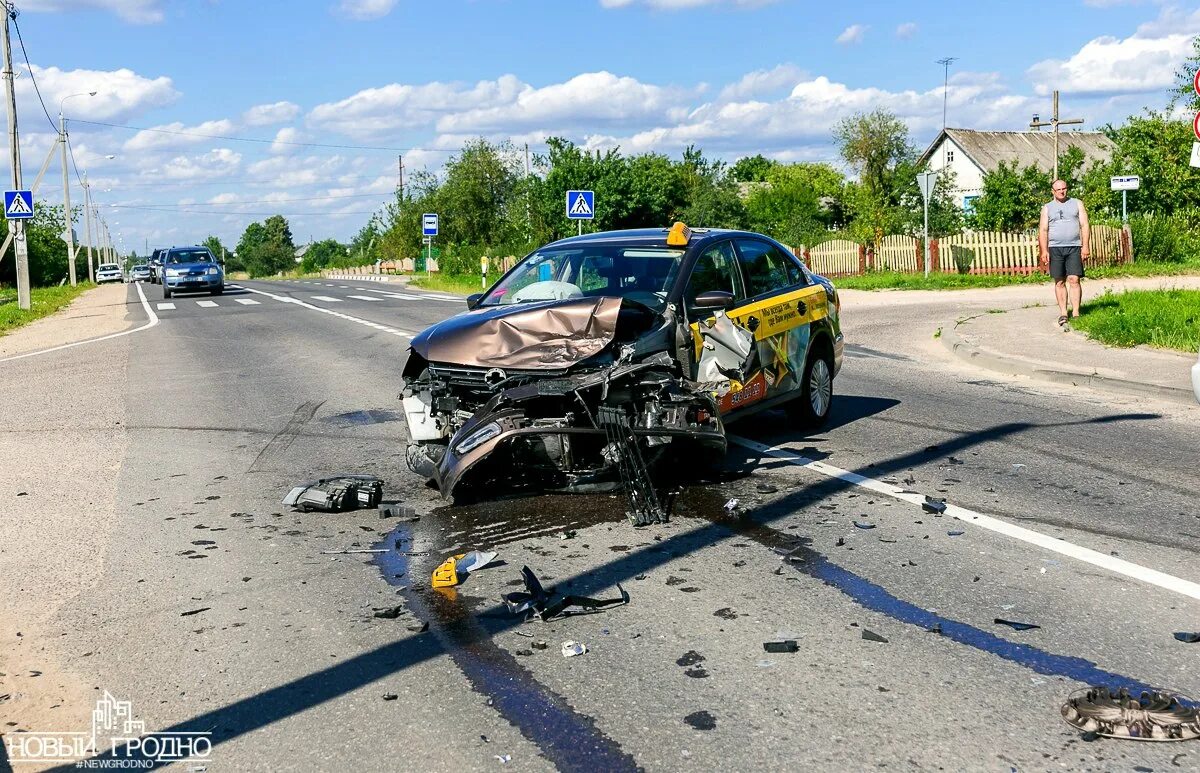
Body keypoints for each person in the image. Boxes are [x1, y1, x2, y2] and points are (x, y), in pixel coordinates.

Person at [1039, 180, 1089, 326]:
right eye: (1058, 189)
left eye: (1064, 188)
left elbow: (1084, 225)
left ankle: (1076, 313)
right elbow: (1043, 230)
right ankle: (1063, 313)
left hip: (1074, 246)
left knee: (1074, 279)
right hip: (1055, 248)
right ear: (1053, 191)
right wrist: (1044, 250)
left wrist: (1085, 246)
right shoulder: (1047, 208)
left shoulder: (1077, 203)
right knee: (1059, 281)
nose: (1062, 191)